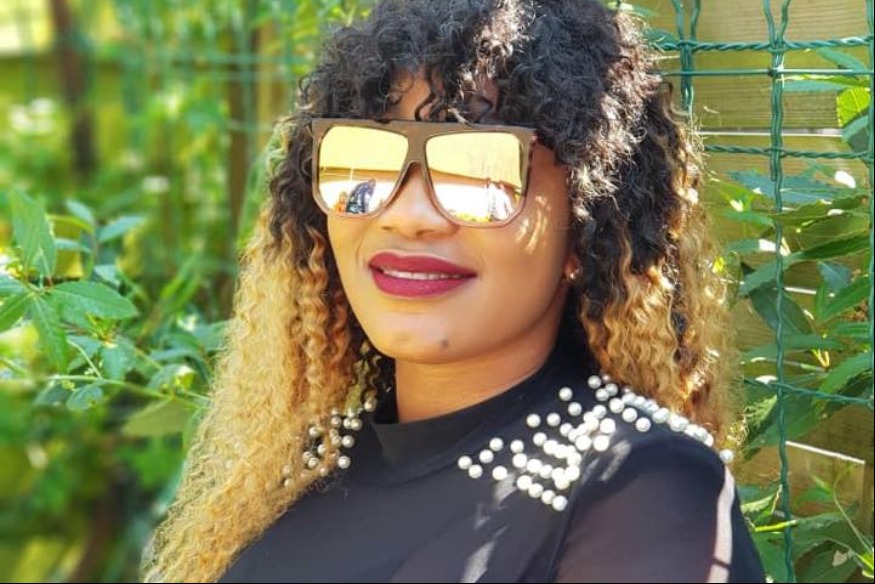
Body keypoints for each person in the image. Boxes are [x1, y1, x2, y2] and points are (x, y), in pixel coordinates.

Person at [142, 0, 766, 582]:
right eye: (364, 161)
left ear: (588, 226)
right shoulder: (309, 462)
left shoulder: (645, 487)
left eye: (478, 169)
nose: (406, 215)